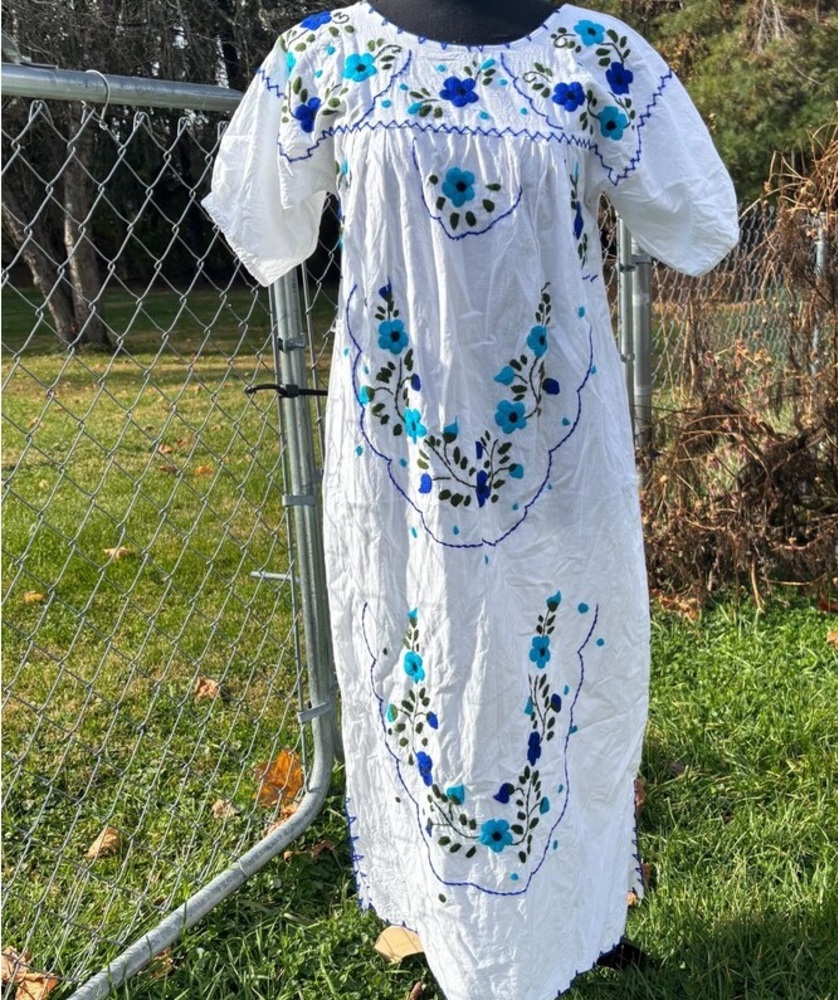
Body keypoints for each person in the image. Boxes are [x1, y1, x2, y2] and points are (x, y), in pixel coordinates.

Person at [204, 2, 737, 996]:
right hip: (402, 469)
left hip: (555, 450)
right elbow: (262, 218)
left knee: (562, 678)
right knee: (431, 679)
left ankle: (562, 917)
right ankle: (461, 938)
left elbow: (699, 218)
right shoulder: (326, 58)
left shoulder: (594, 55)